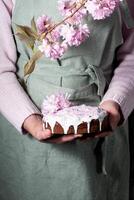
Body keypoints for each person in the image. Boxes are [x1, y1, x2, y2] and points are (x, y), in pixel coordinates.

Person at [0, 0, 134, 200]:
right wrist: (30, 120)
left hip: (104, 121)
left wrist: (116, 103)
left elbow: (130, 57)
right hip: (28, 130)